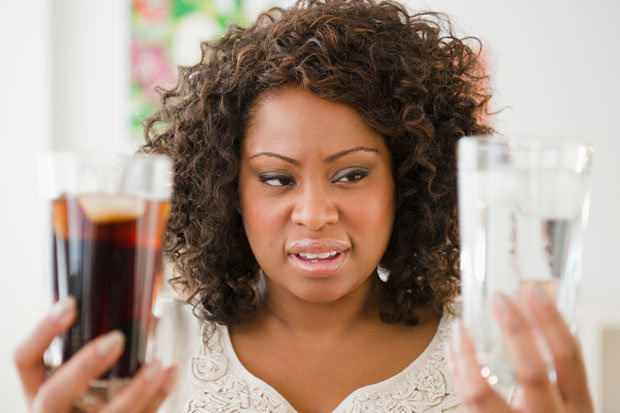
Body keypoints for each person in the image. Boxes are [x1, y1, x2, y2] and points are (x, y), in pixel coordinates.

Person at [14, 0, 595, 412]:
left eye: (351, 174)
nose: (315, 213)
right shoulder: (143, 363)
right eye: (275, 178)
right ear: (227, 193)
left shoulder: (498, 369)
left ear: (410, 182)